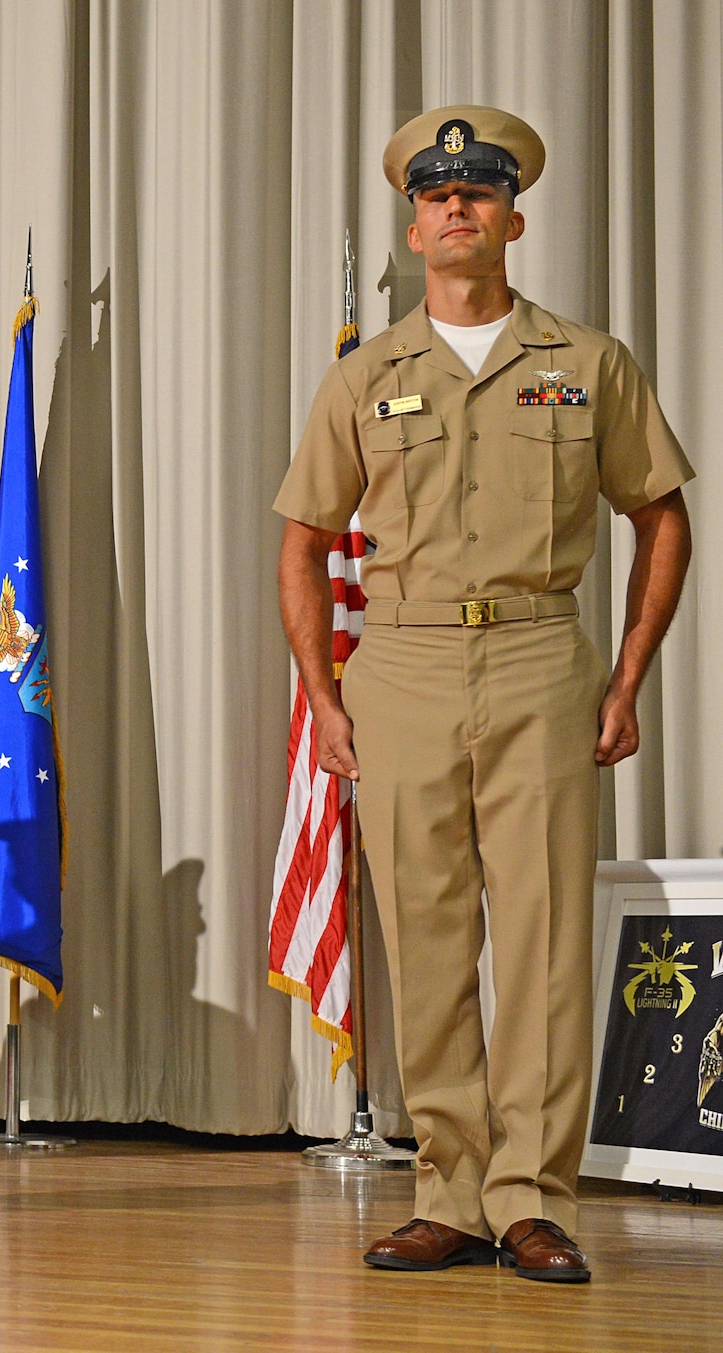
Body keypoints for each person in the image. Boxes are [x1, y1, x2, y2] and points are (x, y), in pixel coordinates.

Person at [276, 108, 694, 1282]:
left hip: (535, 658)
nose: (456, 209)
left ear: (512, 218)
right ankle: (447, 1190)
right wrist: (324, 692)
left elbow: (660, 517)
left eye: (478, 193)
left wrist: (623, 675)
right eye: (436, 195)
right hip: (399, 667)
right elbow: (302, 541)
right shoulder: (364, 375)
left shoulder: (585, 363)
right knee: (424, 935)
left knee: (547, 938)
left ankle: (530, 1197)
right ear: (412, 227)